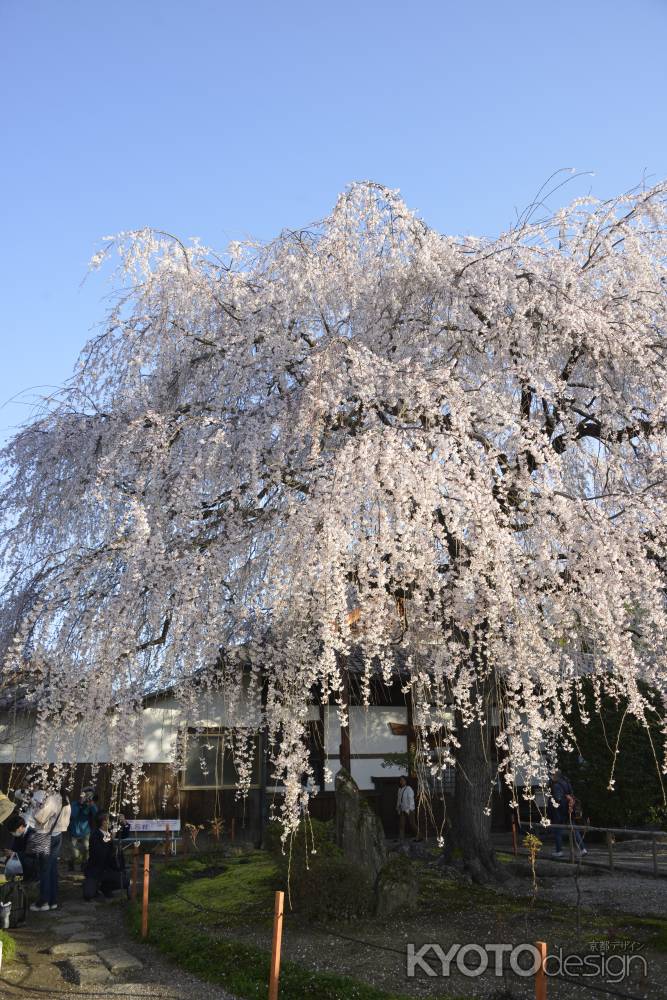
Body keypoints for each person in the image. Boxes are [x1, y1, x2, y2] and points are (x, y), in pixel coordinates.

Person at [29, 787, 71, 912]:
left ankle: (44, 902)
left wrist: (35, 804)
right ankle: (53, 901)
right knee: (52, 868)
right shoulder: (65, 797)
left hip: (44, 834)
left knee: (44, 869)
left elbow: (40, 817)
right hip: (58, 834)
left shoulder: (51, 798)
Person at [83, 812, 127, 901]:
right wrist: (110, 840)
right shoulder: (95, 835)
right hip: (96, 869)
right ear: (103, 822)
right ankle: (93, 884)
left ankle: (106, 888)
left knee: (125, 881)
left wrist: (125, 823)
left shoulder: (111, 832)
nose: (111, 822)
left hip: (109, 868)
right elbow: (99, 854)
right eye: (109, 820)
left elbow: (125, 835)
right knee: (88, 894)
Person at [548, 769, 587, 859]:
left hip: (560, 811)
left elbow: (558, 799)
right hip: (569, 809)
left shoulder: (557, 785)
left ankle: (559, 851)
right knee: (574, 830)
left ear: (555, 775)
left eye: (551, 775)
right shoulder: (566, 782)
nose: (550, 777)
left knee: (557, 831)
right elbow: (570, 794)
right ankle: (583, 849)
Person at [67, 788, 98, 871]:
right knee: (75, 854)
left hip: (85, 831)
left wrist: (92, 805)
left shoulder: (90, 804)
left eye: (90, 795)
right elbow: (73, 815)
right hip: (74, 831)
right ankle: (71, 861)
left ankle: (84, 864)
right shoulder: (74, 804)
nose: (87, 797)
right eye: (86, 795)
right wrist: (80, 804)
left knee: (87, 848)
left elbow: (97, 816)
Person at [396, 776, 420, 840]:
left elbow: (411, 800)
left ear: (406, 781)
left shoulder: (409, 789)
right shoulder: (399, 789)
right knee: (401, 824)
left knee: (412, 824)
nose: (402, 781)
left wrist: (410, 809)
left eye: (403, 780)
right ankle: (401, 838)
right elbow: (399, 799)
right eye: (401, 780)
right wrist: (397, 807)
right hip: (402, 809)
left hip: (409, 809)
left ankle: (419, 836)